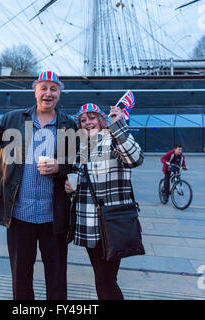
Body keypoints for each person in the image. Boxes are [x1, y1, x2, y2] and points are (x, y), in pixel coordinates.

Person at [0, 71, 77, 300]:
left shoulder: (69, 125)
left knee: (57, 278)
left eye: (53, 89)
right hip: (19, 216)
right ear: (35, 90)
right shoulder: (14, 119)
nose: (48, 93)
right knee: (21, 278)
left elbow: (76, 163)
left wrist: (59, 167)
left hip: (54, 217)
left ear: (60, 94)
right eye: (44, 88)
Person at [64, 103, 144, 300]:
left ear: (101, 120)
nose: (87, 123)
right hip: (88, 225)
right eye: (83, 120)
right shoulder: (82, 147)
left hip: (111, 223)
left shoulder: (113, 140)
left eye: (91, 118)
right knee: (104, 280)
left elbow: (135, 158)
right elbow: (81, 179)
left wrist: (118, 124)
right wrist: (70, 188)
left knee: (105, 281)